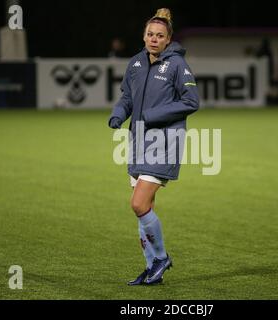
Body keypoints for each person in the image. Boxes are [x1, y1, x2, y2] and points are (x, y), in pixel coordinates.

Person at [108, 8, 199, 285]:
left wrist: (153, 115)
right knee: (145, 207)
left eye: (160, 35)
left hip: (164, 141)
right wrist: (119, 113)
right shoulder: (136, 63)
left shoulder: (177, 65)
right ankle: (151, 269)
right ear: (144, 36)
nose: (154, 39)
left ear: (169, 40)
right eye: (150, 34)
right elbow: (127, 96)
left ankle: (160, 258)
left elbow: (191, 101)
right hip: (137, 141)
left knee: (137, 203)